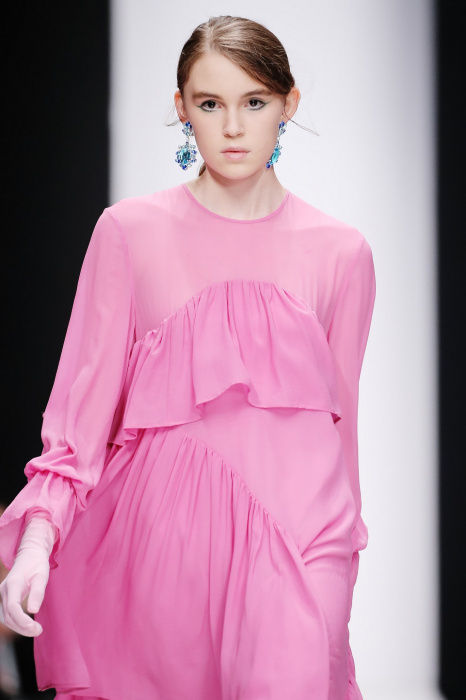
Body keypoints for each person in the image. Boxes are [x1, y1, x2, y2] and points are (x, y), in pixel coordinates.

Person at [0, 14, 376, 700]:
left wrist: (345, 553)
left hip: (306, 544)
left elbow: (340, 425)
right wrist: (36, 540)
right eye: (210, 103)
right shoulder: (128, 233)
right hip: (163, 550)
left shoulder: (342, 254)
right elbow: (81, 417)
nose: (232, 127)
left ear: (288, 104)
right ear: (182, 109)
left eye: (254, 102)